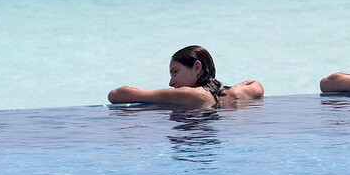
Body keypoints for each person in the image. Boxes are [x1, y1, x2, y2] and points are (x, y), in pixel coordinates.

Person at [108, 45, 264, 108]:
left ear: (197, 67)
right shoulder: (236, 93)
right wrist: (236, 90)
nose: (171, 82)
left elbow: (116, 95)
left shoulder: (188, 94)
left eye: (175, 72)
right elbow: (257, 84)